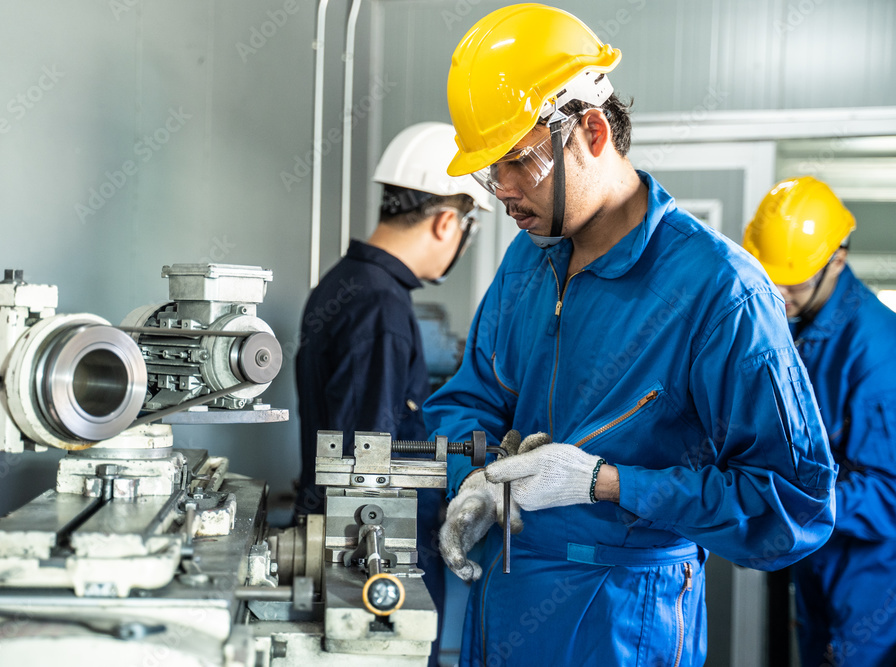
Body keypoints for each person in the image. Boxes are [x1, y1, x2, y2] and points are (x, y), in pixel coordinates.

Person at [424, 5, 837, 665]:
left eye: (515, 162)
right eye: (487, 171)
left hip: (622, 622)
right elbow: (469, 400)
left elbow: (794, 505)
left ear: (590, 129)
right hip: (506, 601)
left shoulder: (720, 291)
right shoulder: (529, 261)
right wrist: (473, 479)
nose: (499, 189)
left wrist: (607, 482)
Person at [294, 121, 492, 664]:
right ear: (448, 222)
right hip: (378, 555)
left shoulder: (344, 284)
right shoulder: (381, 306)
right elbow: (367, 464)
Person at [744, 176, 896, 667]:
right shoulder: (798, 324)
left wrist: (794, 499)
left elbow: (889, 494)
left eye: (795, 281)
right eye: (770, 277)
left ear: (838, 259)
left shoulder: (877, 352)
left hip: (867, 584)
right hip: (814, 564)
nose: (779, 294)